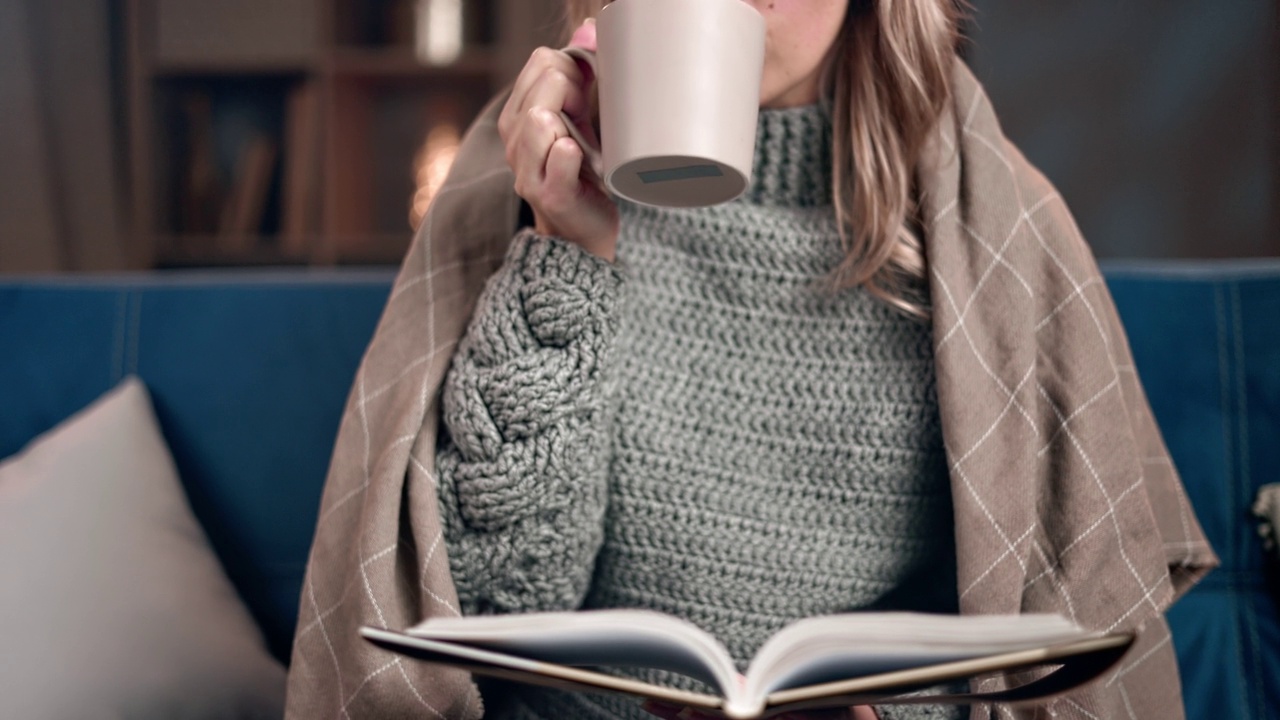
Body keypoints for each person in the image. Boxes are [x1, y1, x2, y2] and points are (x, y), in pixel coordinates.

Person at [283, 2, 1218, 719]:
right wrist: (568, 245)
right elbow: (491, 607)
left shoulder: (992, 221)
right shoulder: (521, 172)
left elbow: (1052, 637)